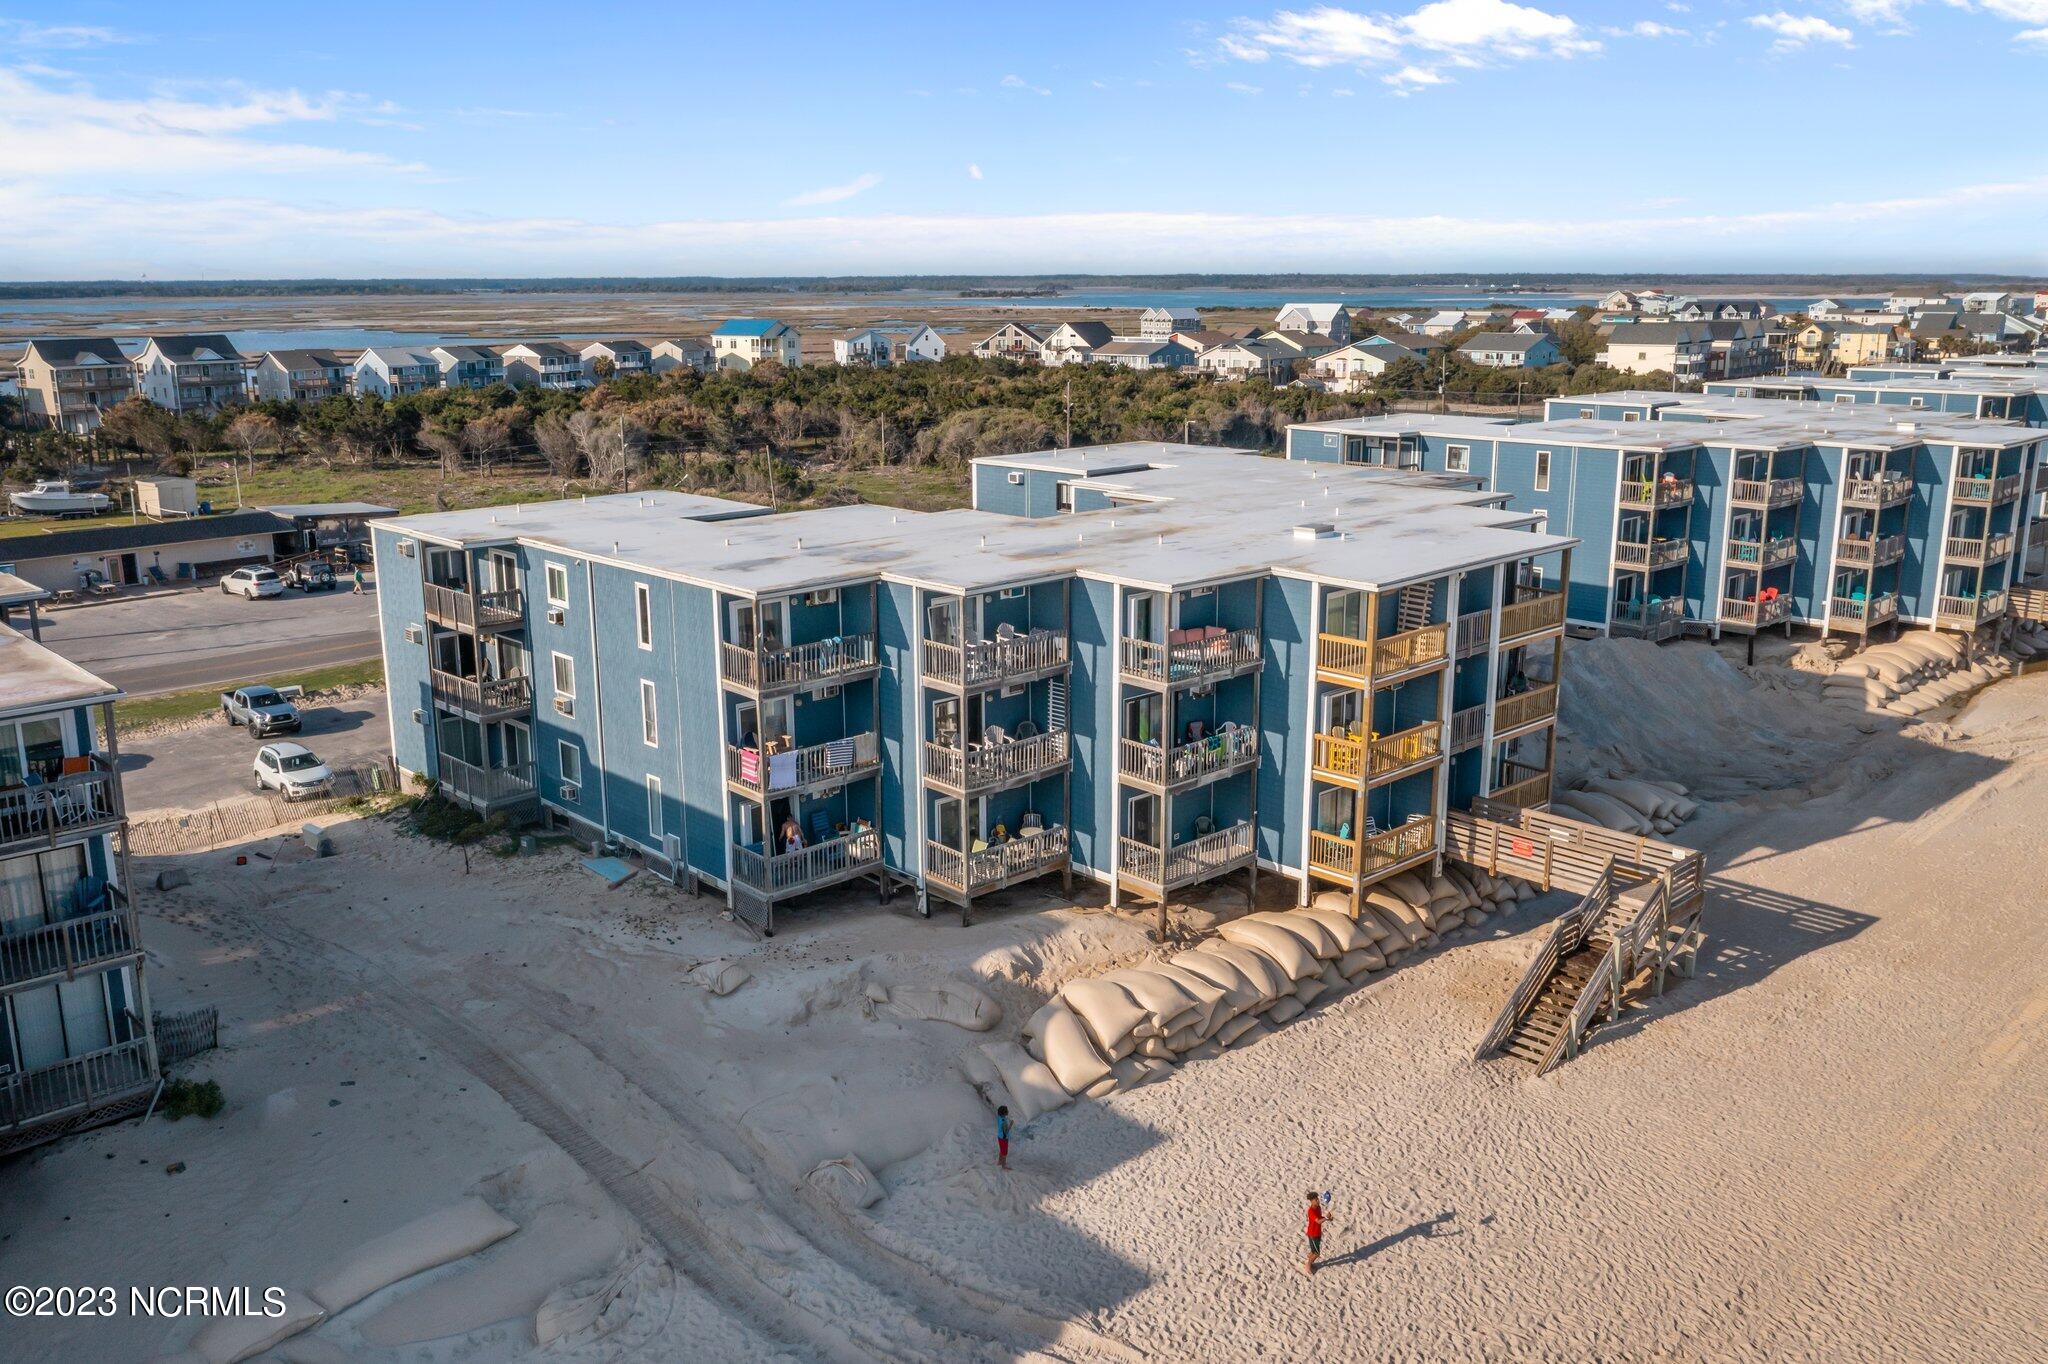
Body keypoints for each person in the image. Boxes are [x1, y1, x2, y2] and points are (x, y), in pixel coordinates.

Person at [1304, 1191, 1323, 1276]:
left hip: (1317, 1233)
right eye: (1316, 1200)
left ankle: (1310, 1262)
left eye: (1318, 1199)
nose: (1318, 1201)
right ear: (1311, 1201)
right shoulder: (1311, 1211)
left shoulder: (1318, 1207)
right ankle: (1308, 1266)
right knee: (1317, 1253)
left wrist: (1327, 1218)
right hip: (1313, 1234)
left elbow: (1320, 1218)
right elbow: (1318, 1221)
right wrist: (1326, 1218)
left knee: (1313, 1251)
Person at [996, 1105, 1011, 1170]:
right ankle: (1004, 1166)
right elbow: (1006, 1131)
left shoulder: (999, 1117)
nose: (1008, 1111)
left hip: (999, 1136)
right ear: (1004, 1113)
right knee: (1004, 1152)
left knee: (1001, 1149)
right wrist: (1011, 1124)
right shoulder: (1003, 1121)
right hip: (1004, 1138)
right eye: (1007, 1110)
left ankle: (999, 1162)